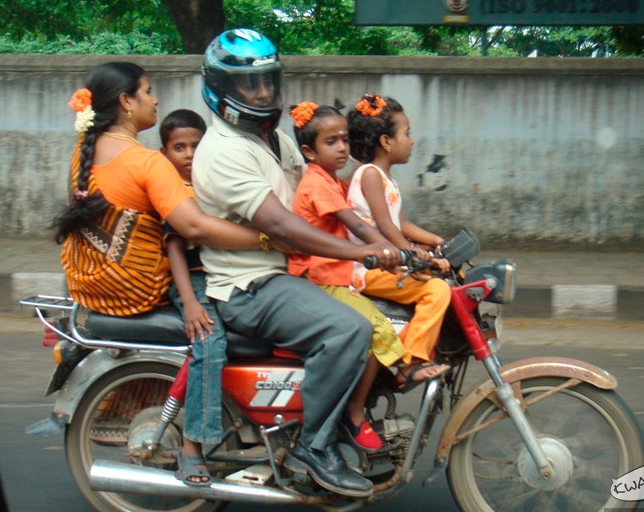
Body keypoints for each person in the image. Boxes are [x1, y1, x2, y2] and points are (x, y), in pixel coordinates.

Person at [192, 28, 399, 498]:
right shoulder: (225, 150)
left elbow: (324, 201)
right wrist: (359, 251)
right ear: (222, 89)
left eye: (268, 81)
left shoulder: (277, 141)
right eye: (249, 84)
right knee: (348, 330)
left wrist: (393, 243)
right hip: (250, 285)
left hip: (285, 273)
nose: (263, 92)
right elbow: (282, 225)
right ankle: (313, 447)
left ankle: (336, 419)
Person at [53, 62, 269, 486]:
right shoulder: (147, 163)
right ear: (126, 102)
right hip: (140, 286)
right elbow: (193, 227)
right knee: (209, 337)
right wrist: (268, 238)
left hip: (94, 283)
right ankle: (194, 446)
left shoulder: (84, 151)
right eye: (149, 91)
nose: (156, 100)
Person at [287, 101, 443, 452]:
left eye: (344, 139)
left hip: (338, 272)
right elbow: (358, 225)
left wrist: (412, 249)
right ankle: (355, 413)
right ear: (309, 152)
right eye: (331, 142)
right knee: (374, 330)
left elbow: (377, 223)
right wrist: (396, 252)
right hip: (322, 276)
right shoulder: (318, 183)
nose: (342, 148)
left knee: (382, 323)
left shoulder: (335, 181)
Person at [346, 94, 451, 390]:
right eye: (407, 134)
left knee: (436, 279)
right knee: (436, 290)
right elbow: (386, 226)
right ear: (386, 142)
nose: (412, 141)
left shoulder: (385, 177)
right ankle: (410, 363)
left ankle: (398, 349)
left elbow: (401, 223)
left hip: (385, 262)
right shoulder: (369, 174)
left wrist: (437, 241)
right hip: (367, 270)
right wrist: (415, 252)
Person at [159, 108, 225, 486]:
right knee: (209, 341)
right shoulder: (174, 194)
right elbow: (175, 251)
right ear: (164, 152)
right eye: (179, 147)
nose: (188, 154)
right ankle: (191, 447)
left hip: (222, 277)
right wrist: (190, 303)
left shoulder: (211, 184)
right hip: (193, 281)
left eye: (196, 146)